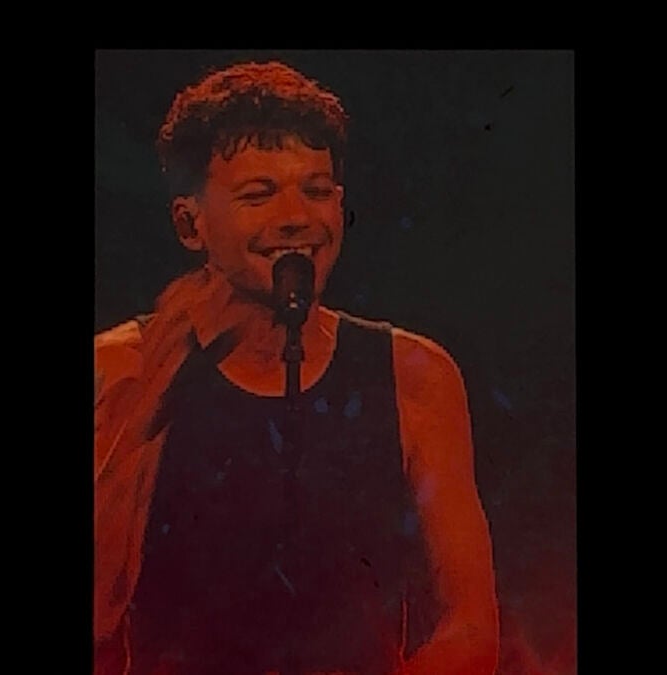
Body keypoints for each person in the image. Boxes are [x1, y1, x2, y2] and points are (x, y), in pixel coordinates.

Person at [94, 60, 499, 675]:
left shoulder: (414, 374)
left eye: (316, 190)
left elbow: (469, 626)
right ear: (189, 224)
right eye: (258, 195)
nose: (296, 217)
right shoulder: (120, 368)